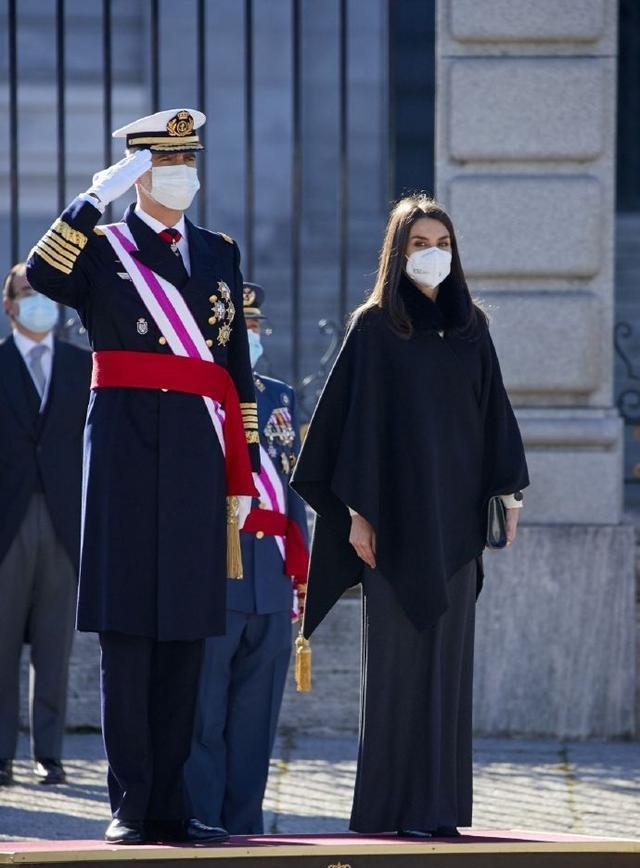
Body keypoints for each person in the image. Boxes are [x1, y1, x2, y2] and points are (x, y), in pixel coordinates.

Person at [26, 109, 260, 845]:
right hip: (126, 449)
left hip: (196, 452)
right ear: (140, 170)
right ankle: (130, 804)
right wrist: (92, 199)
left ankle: (170, 804)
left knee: (187, 632)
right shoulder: (101, 249)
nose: (183, 171)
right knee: (130, 631)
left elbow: (234, 369)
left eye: (190, 157)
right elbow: (38, 273)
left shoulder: (219, 252)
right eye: (167, 160)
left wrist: (242, 466)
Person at [290, 194, 529, 838]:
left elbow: (494, 420)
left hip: (454, 531)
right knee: (396, 672)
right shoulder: (374, 328)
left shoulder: (472, 327)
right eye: (419, 244)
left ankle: (439, 811)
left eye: (441, 243)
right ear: (398, 253)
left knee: (447, 673)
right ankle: (387, 811)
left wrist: (508, 498)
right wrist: (356, 518)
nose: (432, 255)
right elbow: (351, 431)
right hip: (389, 533)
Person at [185, 282, 309, 834]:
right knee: (204, 716)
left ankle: (245, 825)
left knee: (256, 720)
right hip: (218, 572)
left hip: (271, 579)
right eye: (244, 328)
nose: (252, 338)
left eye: (258, 329)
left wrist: (301, 575)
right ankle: (202, 819)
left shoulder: (281, 396)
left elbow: (293, 486)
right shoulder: (196, 395)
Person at [0, 264, 91, 788]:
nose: (38, 301)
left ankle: (49, 753)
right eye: (26, 292)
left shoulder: (83, 366)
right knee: (4, 641)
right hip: (9, 521)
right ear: (9, 304)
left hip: (63, 520)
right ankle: (3, 754)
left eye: (44, 292)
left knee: (54, 644)